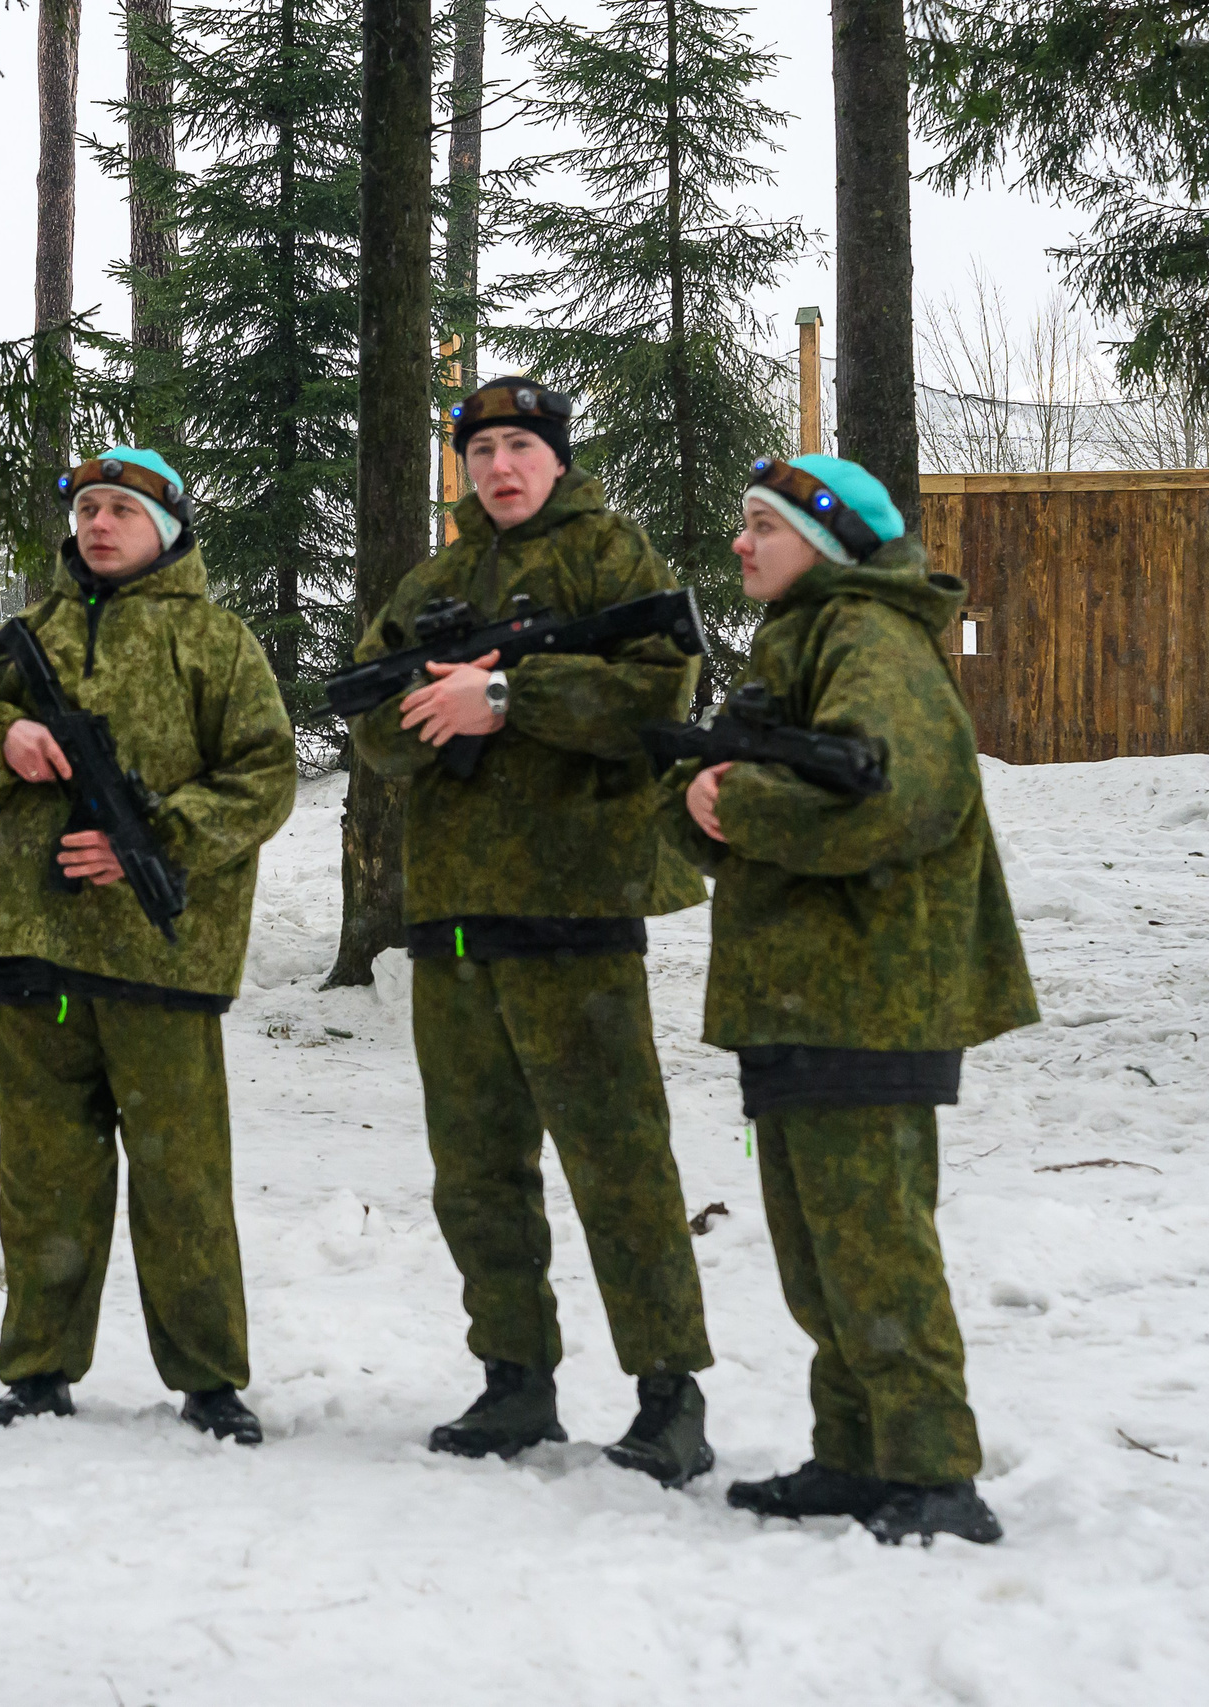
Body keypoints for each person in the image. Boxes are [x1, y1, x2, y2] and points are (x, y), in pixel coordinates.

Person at [661, 453, 1040, 1545]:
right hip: (802, 996)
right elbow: (753, 798)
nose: (740, 543)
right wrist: (700, 801)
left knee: (872, 1245)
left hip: (866, 994)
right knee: (819, 1252)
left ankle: (933, 1476)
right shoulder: (806, 637)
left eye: (760, 526)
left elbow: (903, 798)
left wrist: (742, 805)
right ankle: (854, 1454)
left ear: (822, 545)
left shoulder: (869, 640)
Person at [348, 378, 717, 1485]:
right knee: (474, 1169)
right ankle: (515, 1379)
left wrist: (511, 699)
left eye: (519, 448)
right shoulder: (437, 580)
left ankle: (668, 1395)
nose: (500, 469)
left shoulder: (610, 557)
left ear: (556, 457)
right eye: (481, 452)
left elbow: (659, 695)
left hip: (580, 903)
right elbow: (372, 729)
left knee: (618, 1162)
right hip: (456, 913)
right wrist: (433, 711)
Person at [0, 449, 295, 1444]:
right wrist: (0, 742)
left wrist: (154, 844)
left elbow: (266, 778)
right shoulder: (23, 640)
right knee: (44, 1177)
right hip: (33, 947)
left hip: (161, 959)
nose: (98, 524)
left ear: (165, 529)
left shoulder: (216, 643)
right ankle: (38, 1370)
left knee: (183, 1181)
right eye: (86, 507)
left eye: (121, 509)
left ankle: (211, 1381)